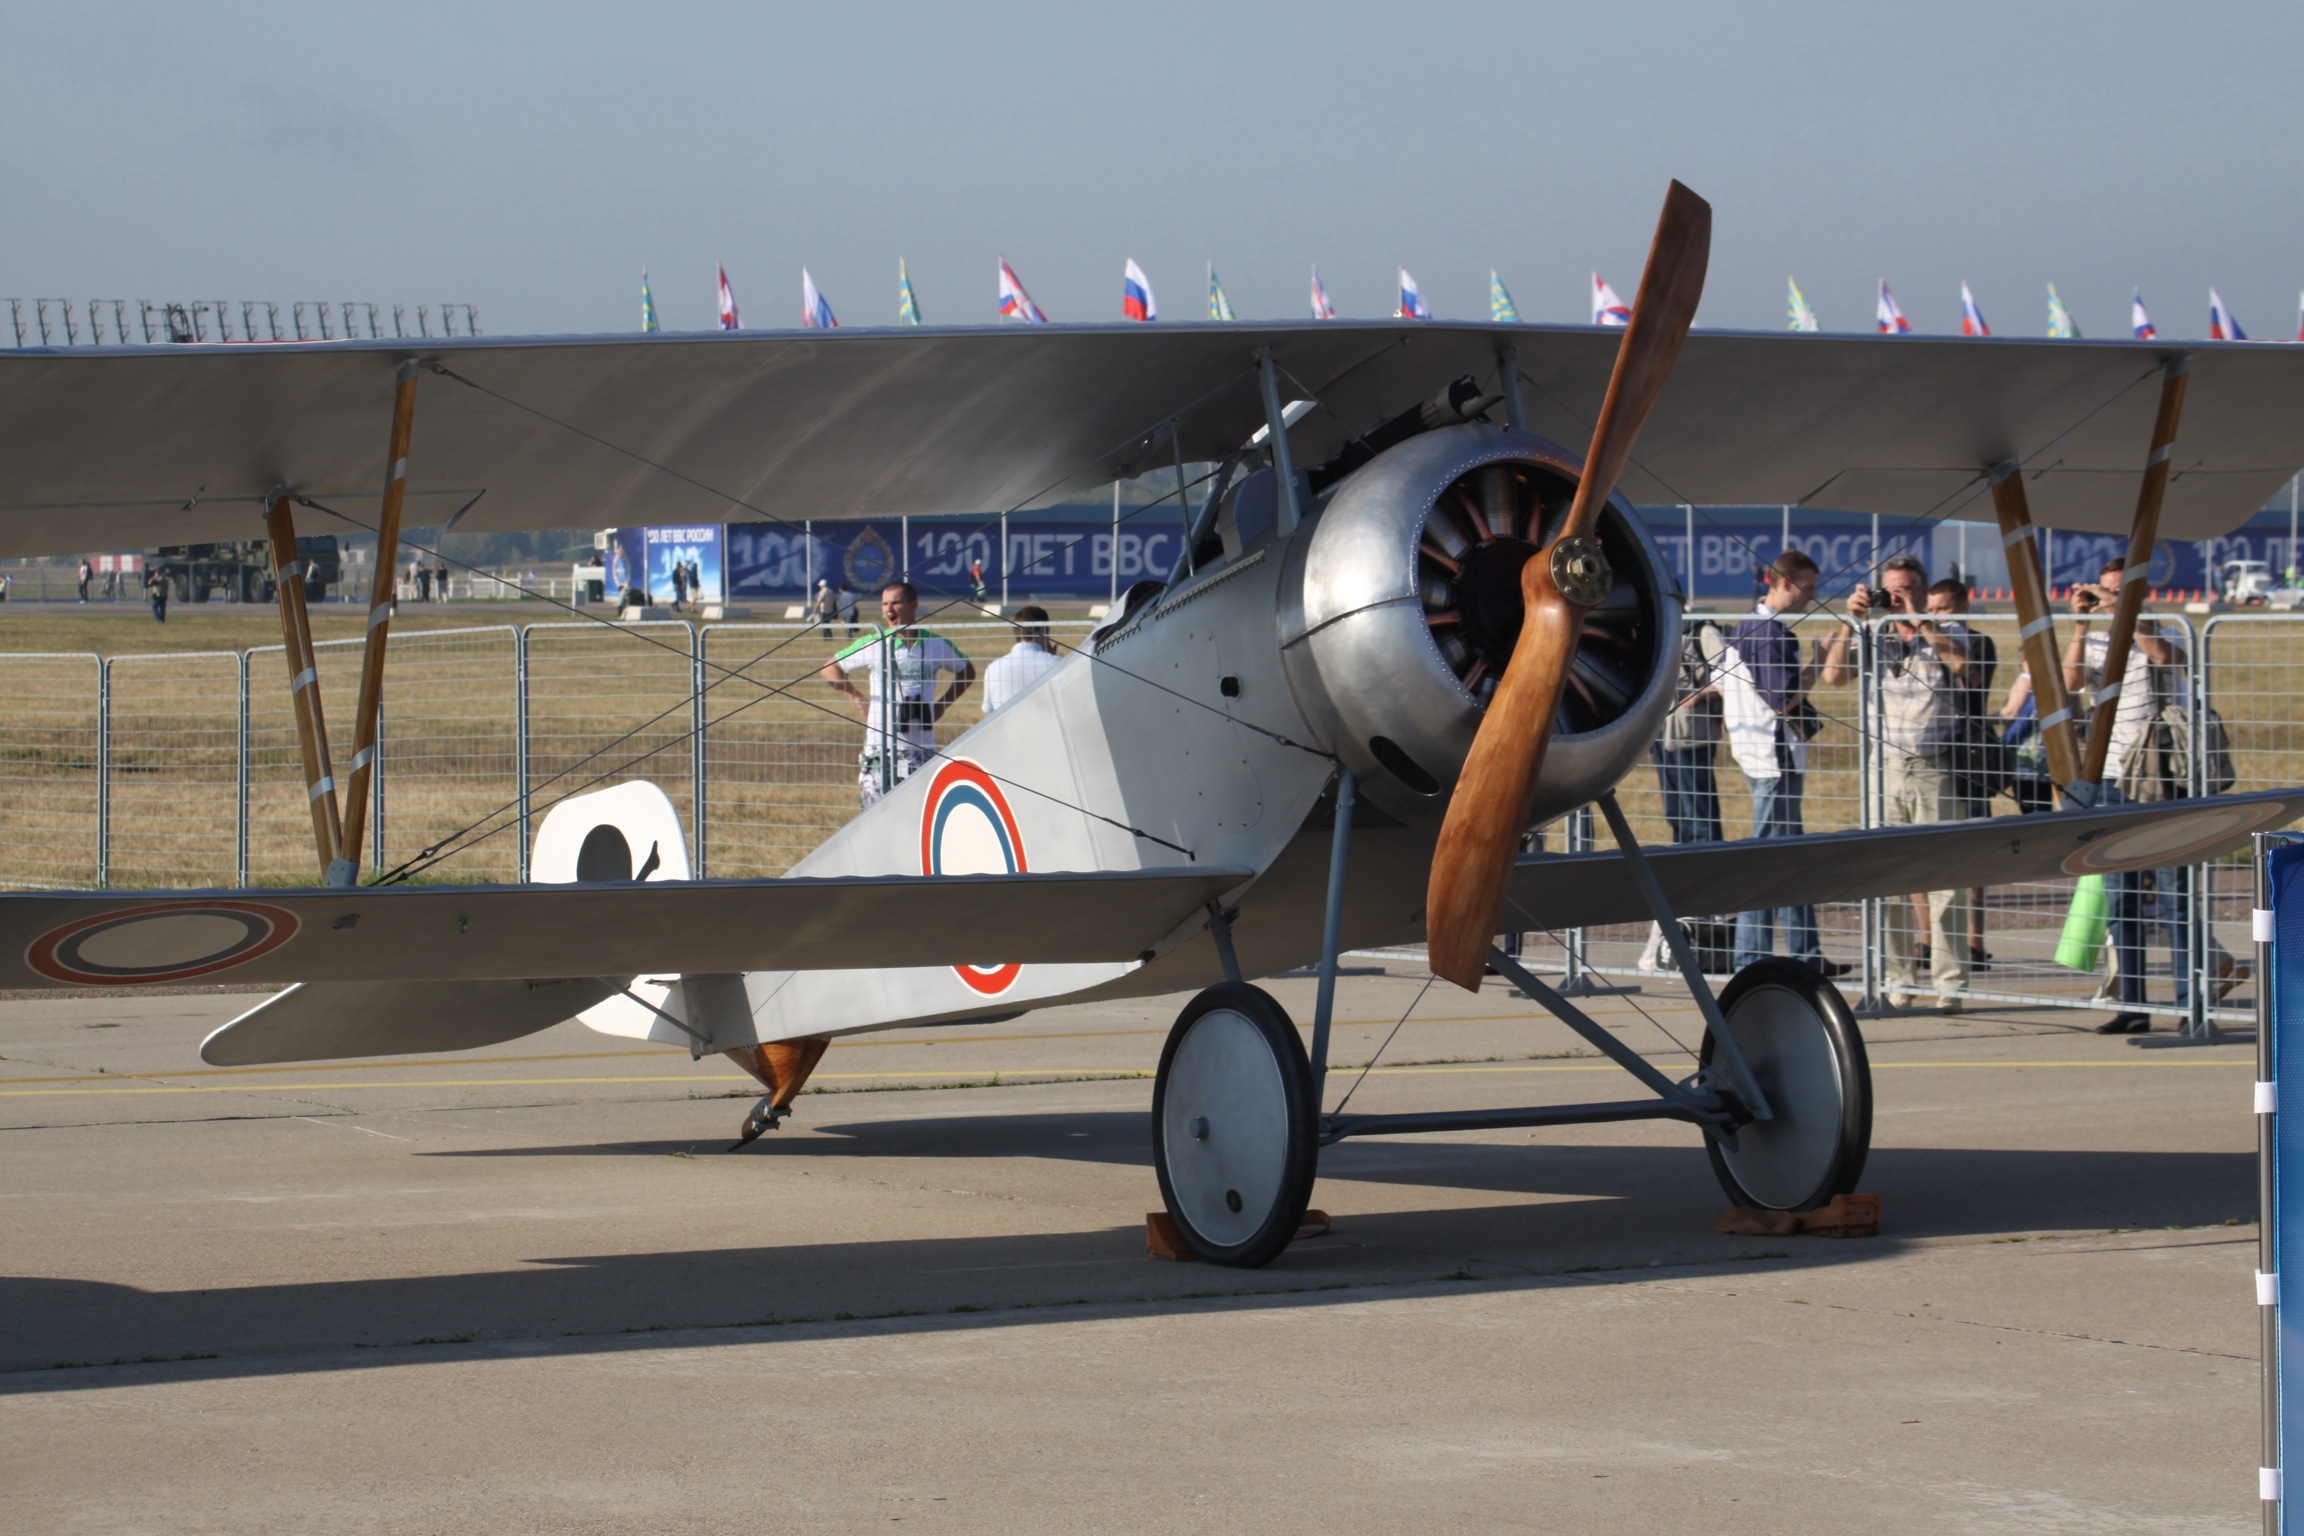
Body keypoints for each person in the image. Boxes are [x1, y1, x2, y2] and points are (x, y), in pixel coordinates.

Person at [2062, 554, 2237, 1032]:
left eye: (2117, 591)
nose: (2105, 598)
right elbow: (2070, 682)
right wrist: (2080, 625)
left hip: (2161, 782)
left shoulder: (2166, 629)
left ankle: (2189, 1007)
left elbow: (2163, 657)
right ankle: (2133, 1007)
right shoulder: (2097, 636)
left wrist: (2123, 613)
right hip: (2113, 780)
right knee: (2121, 902)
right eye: (2104, 589)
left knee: (2173, 897)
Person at [1717, 548, 1855, 978]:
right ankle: (1749, 958)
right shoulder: (1773, 633)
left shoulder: (1744, 625)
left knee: (1790, 860)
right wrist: (1819, 660)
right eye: (1807, 589)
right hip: (1774, 763)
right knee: (1767, 864)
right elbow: (1785, 701)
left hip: (1759, 756)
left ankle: (1805, 953)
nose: (1811, 598)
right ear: (1781, 582)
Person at [1848, 555, 1973, 1011]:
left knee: (1945, 879)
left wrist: (1918, 621)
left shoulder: (1946, 629)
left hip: (1933, 765)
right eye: (1891, 590)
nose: (1896, 598)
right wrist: (1853, 619)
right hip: (1886, 765)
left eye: (1906, 590)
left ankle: (1949, 984)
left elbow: (1961, 664)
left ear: (1923, 592)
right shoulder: (1875, 634)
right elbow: (1834, 675)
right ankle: (1898, 977)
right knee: (1887, 877)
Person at [822, 579, 976, 809]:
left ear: (913, 605)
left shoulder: (935, 644)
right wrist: (858, 699)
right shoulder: (874, 642)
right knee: (875, 819)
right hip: (879, 751)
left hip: (921, 749)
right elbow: (829, 669)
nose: (888, 609)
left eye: (895, 603)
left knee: (917, 819)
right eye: (885, 604)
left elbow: (967, 672)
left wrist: (942, 705)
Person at [1638, 620, 1725, 971]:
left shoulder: (1702, 632)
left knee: (1701, 822)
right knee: (1677, 820)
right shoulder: (1657, 631)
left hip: (1692, 738)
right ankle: (1684, 904)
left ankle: (1708, 907)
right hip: (1664, 738)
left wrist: (1701, 695)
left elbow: (1730, 673)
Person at [1929, 579, 2000, 972]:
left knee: (1974, 852)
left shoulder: (1980, 643)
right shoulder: (1923, 641)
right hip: (1933, 752)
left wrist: (1937, 635)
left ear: (1963, 607)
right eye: (1932, 611)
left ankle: (1975, 942)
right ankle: (1928, 942)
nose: (1938, 618)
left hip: (1969, 756)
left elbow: (1971, 677)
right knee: (1927, 851)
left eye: (1945, 610)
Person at [983, 605, 1061, 711]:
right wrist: (1054, 659)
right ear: (1042, 630)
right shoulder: (1056, 665)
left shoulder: (993, 668)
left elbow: (988, 709)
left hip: (1007, 726)